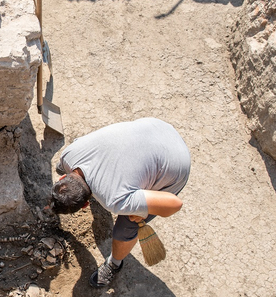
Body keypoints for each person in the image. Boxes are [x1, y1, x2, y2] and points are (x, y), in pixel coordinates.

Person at [49, 118, 190, 288]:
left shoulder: (115, 200)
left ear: (86, 204)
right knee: (65, 166)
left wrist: (141, 211)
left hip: (176, 161)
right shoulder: (69, 155)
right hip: (157, 127)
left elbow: (175, 204)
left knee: (127, 226)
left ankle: (114, 264)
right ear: (63, 177)